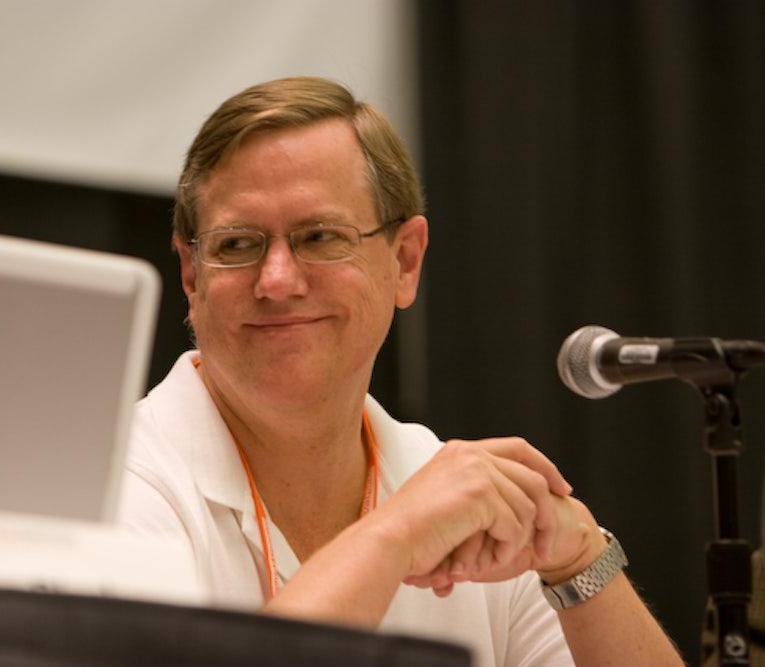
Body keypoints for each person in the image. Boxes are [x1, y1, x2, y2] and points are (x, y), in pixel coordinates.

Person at [116, 76, 684, 666]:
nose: (277, 280)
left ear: (405, 261)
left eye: (320, 236)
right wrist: (393, 537)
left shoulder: (455, 493)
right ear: (190, 274)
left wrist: (578, 560)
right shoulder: (112, 483)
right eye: (237, 245)